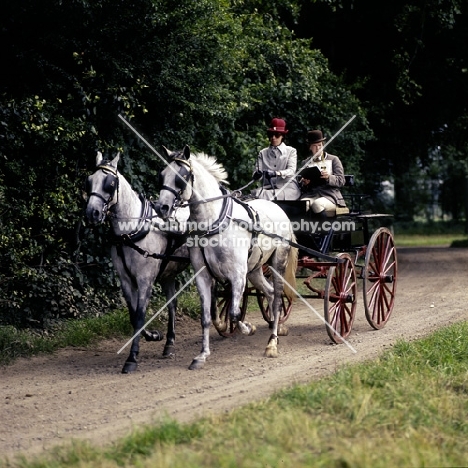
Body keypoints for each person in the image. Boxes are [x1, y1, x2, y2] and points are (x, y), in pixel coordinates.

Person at [299, 129, 347, 217]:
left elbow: (341, 180)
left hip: (330, 196)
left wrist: (329, 177)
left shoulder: (333, 159)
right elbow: (302, 186)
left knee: (317, 204)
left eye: (320, 145)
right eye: (314, 146)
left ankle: (324, 230)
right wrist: (305, 183)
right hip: (312, 195)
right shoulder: (305, 162)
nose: (318, 148)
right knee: (302, 205)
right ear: (310, 147)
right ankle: (306, 230)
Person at [251, 117, 301, 201]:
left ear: (282, 136)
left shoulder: (291, 151)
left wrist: (276, 173)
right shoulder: (262, 153)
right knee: (256, 194)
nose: (273, 138)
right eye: (271, 135)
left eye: (277, 135)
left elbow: (291, 170)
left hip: (287, 188)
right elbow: (256, 174)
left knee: (262, 195)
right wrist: (257, 175)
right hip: (268, 188)